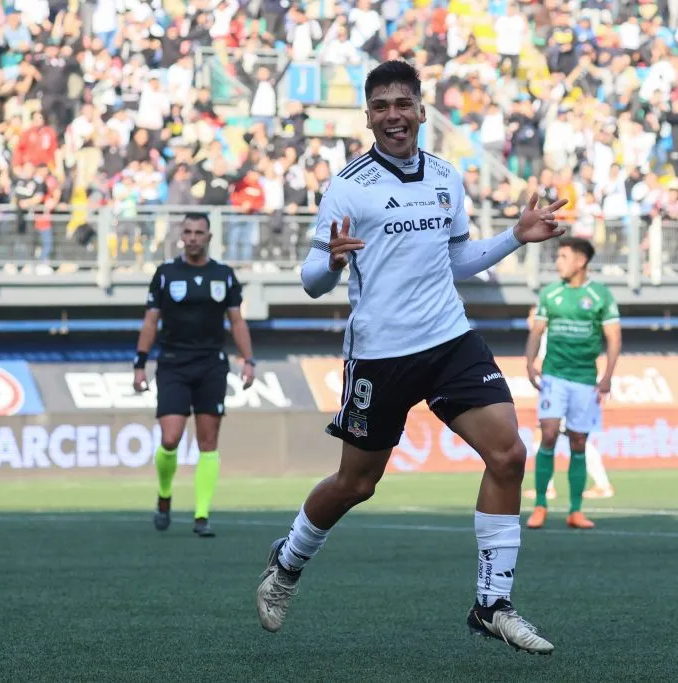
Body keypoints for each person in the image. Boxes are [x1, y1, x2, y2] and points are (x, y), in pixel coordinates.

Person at [254, 60, 567, 655]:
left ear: (422, 110)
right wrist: (335, 261)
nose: (393, 116)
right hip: (380, 355)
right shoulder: (348, 185)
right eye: (381, 107)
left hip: (449, 340)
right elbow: (311, 280)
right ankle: (288, 560)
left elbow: (455, 262)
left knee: (508, 452)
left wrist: (513, 237)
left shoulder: (447, 177)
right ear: (368, 116)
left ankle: (491, 604)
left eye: (403, 104)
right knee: (355, 483)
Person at [133, 213, 257, 538]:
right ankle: (164, 495)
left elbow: (238, 321)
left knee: (208, 442)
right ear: (180, 236)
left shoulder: (224, 275)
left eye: (198, 232)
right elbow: (150, 321)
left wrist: (249, 360)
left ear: (209, 237)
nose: (192, 237)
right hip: (173, 363)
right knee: (170, 438)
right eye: (187, 232)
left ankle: (201, 515)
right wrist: (140, 363)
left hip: (212, 364)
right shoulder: (165, 274)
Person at [523, 238, 621, 530]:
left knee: (579, 441)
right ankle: (540, 504)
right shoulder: (551, 294)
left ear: (581, 261)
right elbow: (537, 332)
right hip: (554, 376)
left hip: (585, 379)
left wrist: (608, 375)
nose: (558, 262)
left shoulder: (600, 295)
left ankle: (575, 510)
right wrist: (530, 362)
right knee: (549, 433)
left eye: (563, 256)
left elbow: (614, 337)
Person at [522, 304, 615, 505]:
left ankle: (550, 488)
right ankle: (599, 484)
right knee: (571, 436)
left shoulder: (549, 337)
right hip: (570, 389)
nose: (529, 320)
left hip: (565, 391)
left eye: (532, 316)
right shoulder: (556, 335)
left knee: (563, 436)